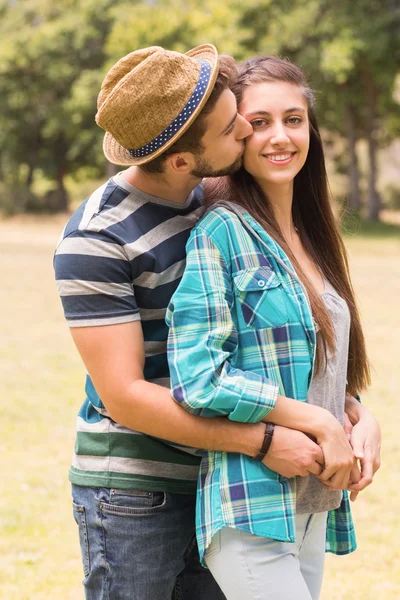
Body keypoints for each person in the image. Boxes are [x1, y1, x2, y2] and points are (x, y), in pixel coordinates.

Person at [54, 45, 341, 600]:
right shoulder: (96, 239)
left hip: (223, 477)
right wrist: (260, 441)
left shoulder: (215, 203)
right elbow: (126, 397)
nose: (247, 132)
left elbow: (272, 338)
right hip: (139, 490)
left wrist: (347, 411)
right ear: (183, 159)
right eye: (236, 127)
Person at [166, 56, 381, 600]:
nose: (279, 137)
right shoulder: (221, 232)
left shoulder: (312, 236)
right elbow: (199, 376)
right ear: (236, 136)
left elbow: (304, 358)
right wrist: (316, 420)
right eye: (259, 123)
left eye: (294, 119)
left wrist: (355, 413)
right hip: (250, 504)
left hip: (312, 506)